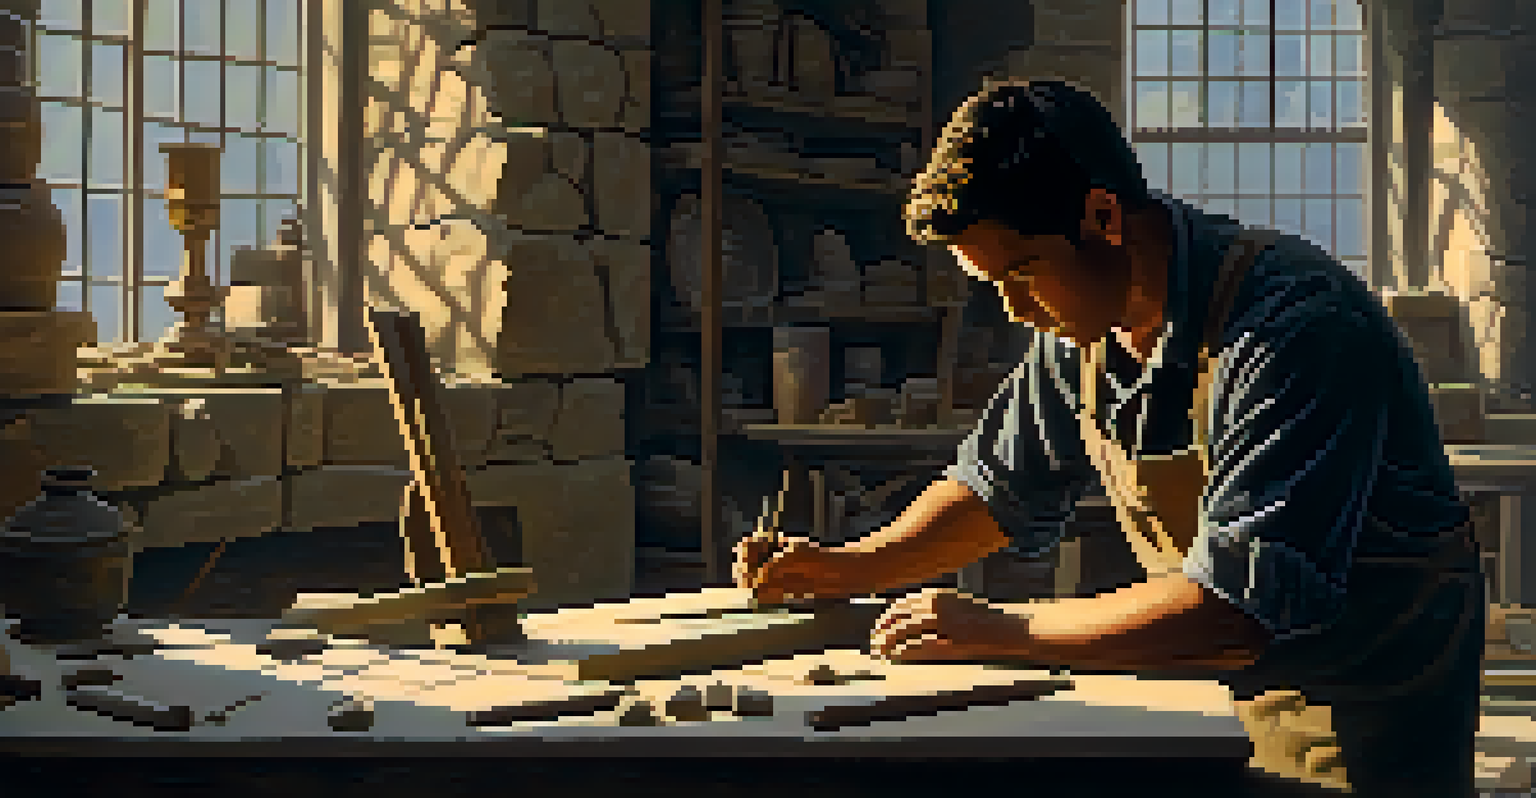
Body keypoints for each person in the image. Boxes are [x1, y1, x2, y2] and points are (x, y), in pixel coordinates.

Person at [735, 80, 1484, 797]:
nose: (1014, 310)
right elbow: (993, 490)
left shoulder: (1295, 327)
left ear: (1102, 215)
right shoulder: (1081, 330)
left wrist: (1006, 628)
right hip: (1215, 700)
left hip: (1363, 720)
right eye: (992, 286)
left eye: (1022, 274)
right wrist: (846, 568)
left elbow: (1233, 611)